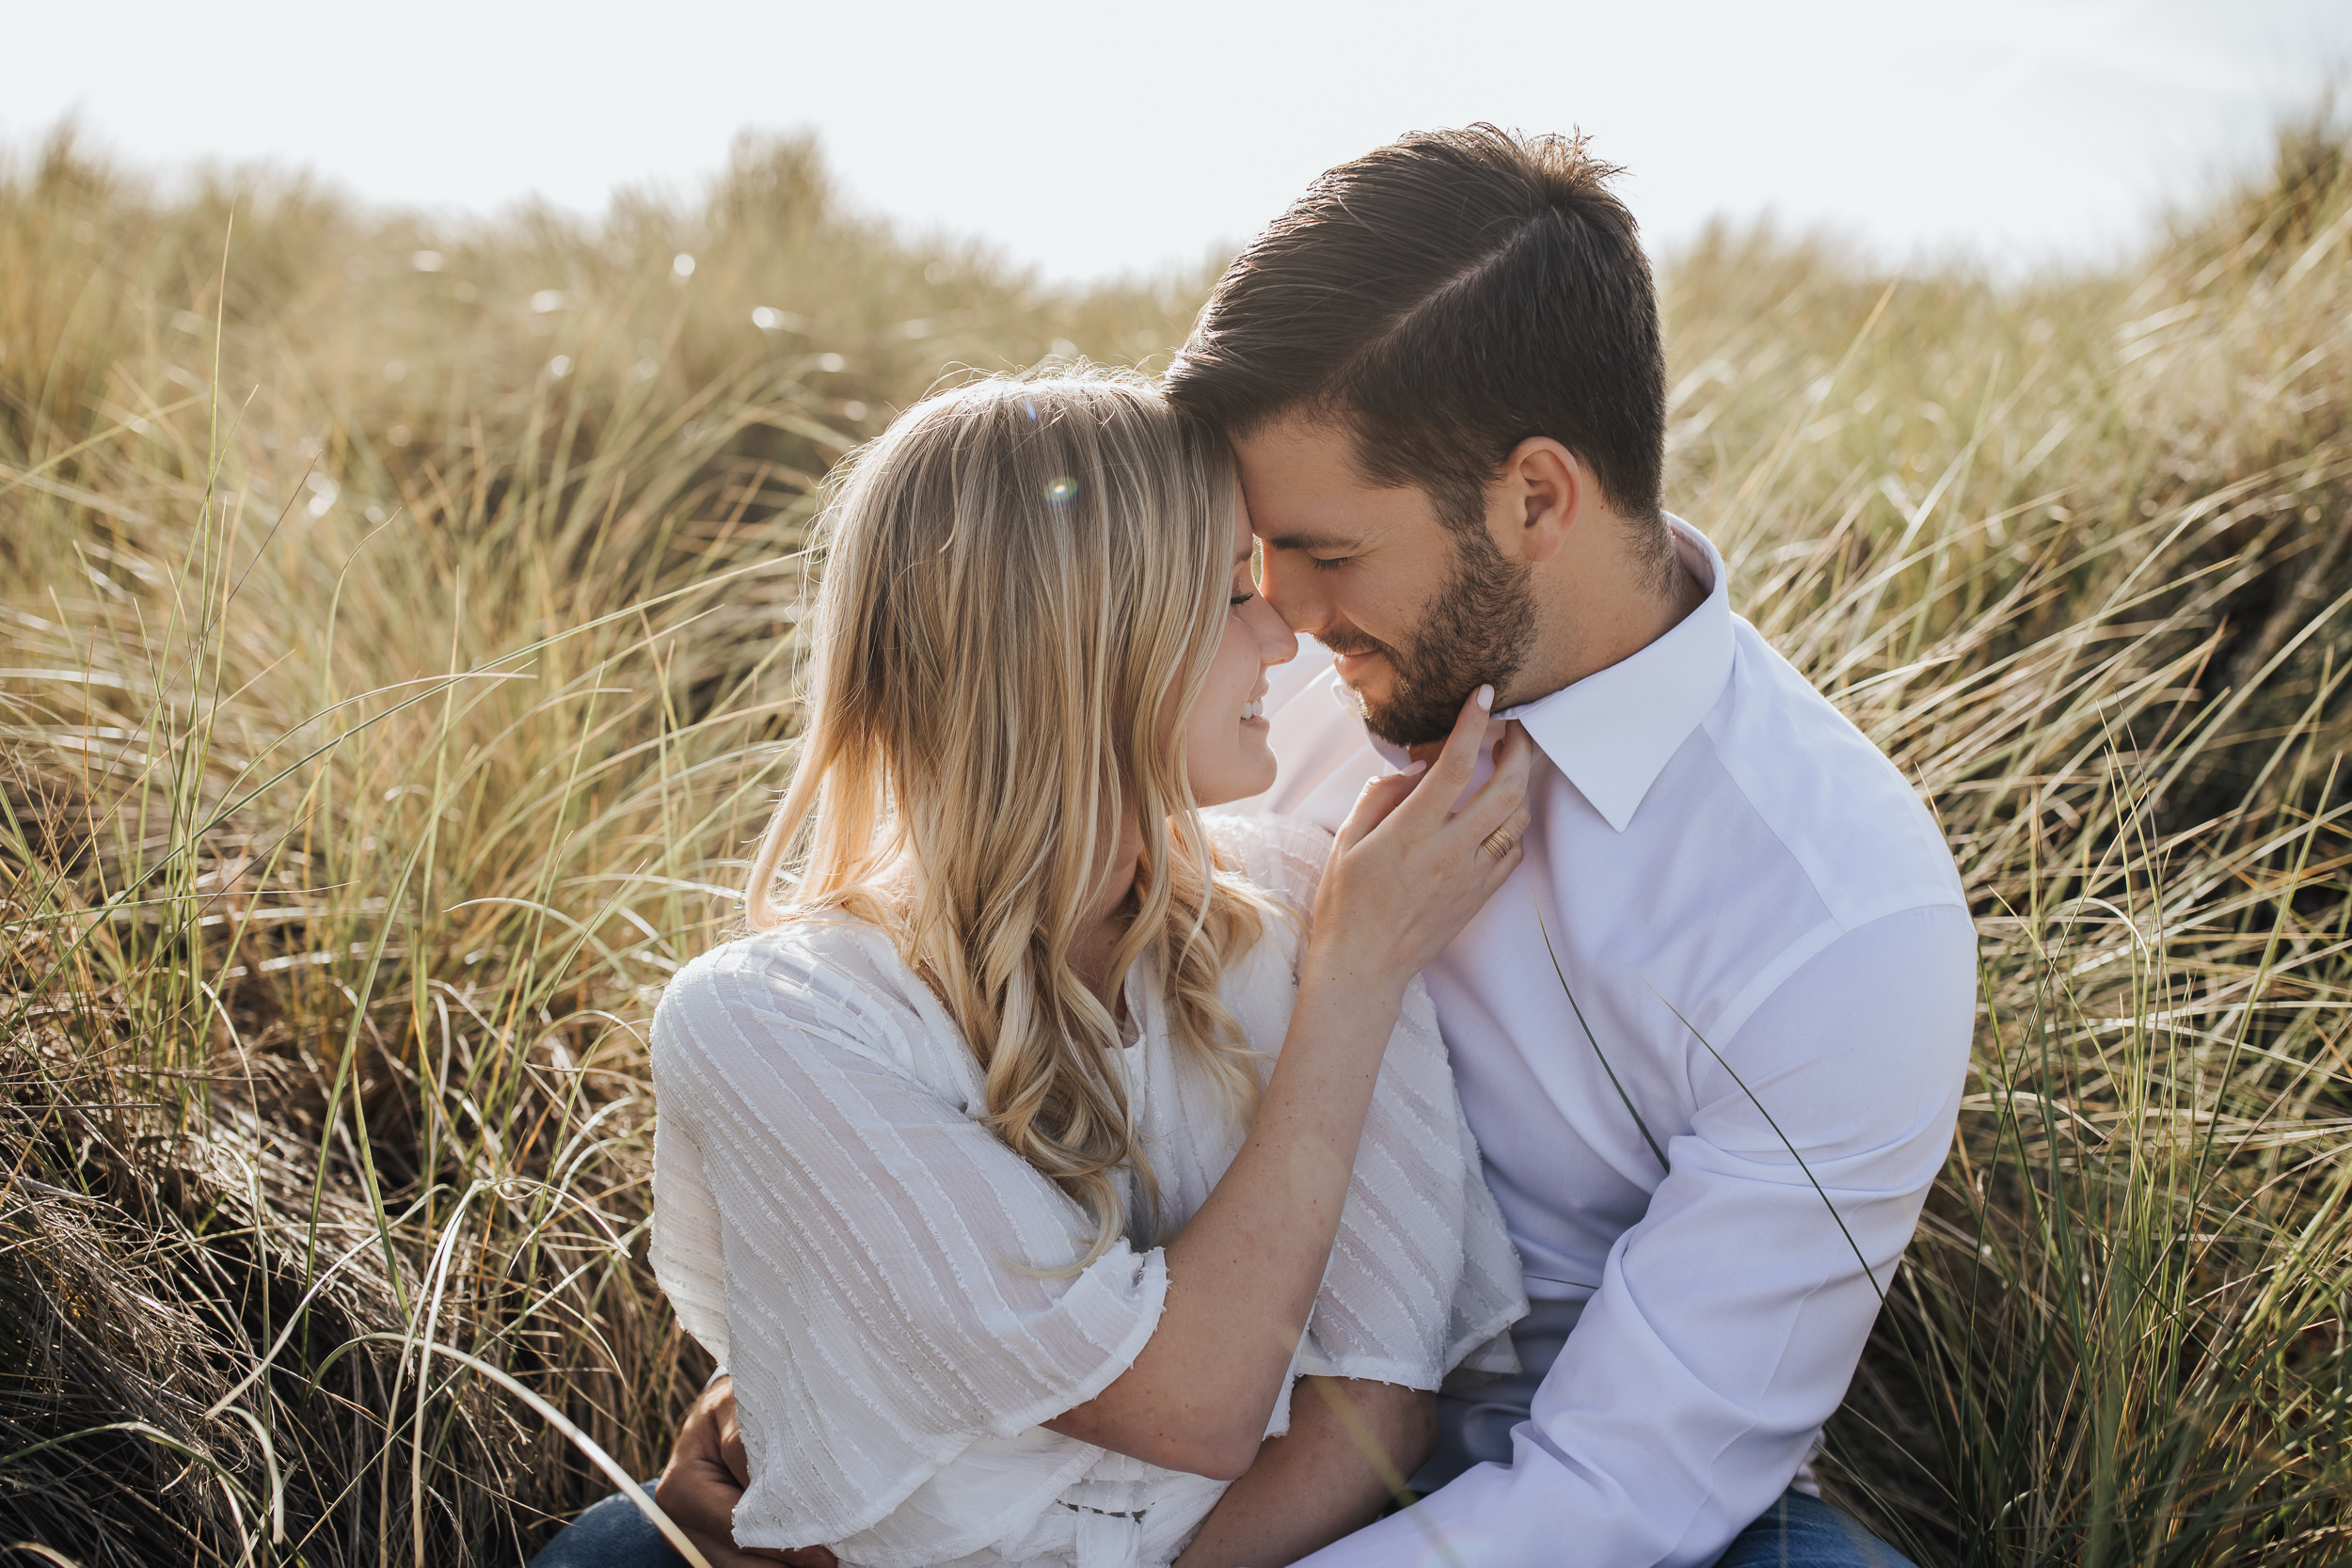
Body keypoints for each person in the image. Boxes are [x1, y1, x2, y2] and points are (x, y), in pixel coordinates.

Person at [646, 126, 1976, 1568]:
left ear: (1537, 498)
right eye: (1246, 561)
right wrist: (864, 1351)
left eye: (1325, 554)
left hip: (1548, 1489)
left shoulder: (1842, 917)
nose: (1280, 615)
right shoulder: (1266, 701)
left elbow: (1621, 1487)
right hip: (1145, 1434)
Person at [532, 369, 1534, 1568]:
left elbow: (1371, 1406)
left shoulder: (1317, 905)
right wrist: (1358, 983)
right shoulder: (776, 1019)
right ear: (1077, 648)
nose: (1281, 632)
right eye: (1226, 592)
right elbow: (1196, 1403)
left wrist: (1356, 962)